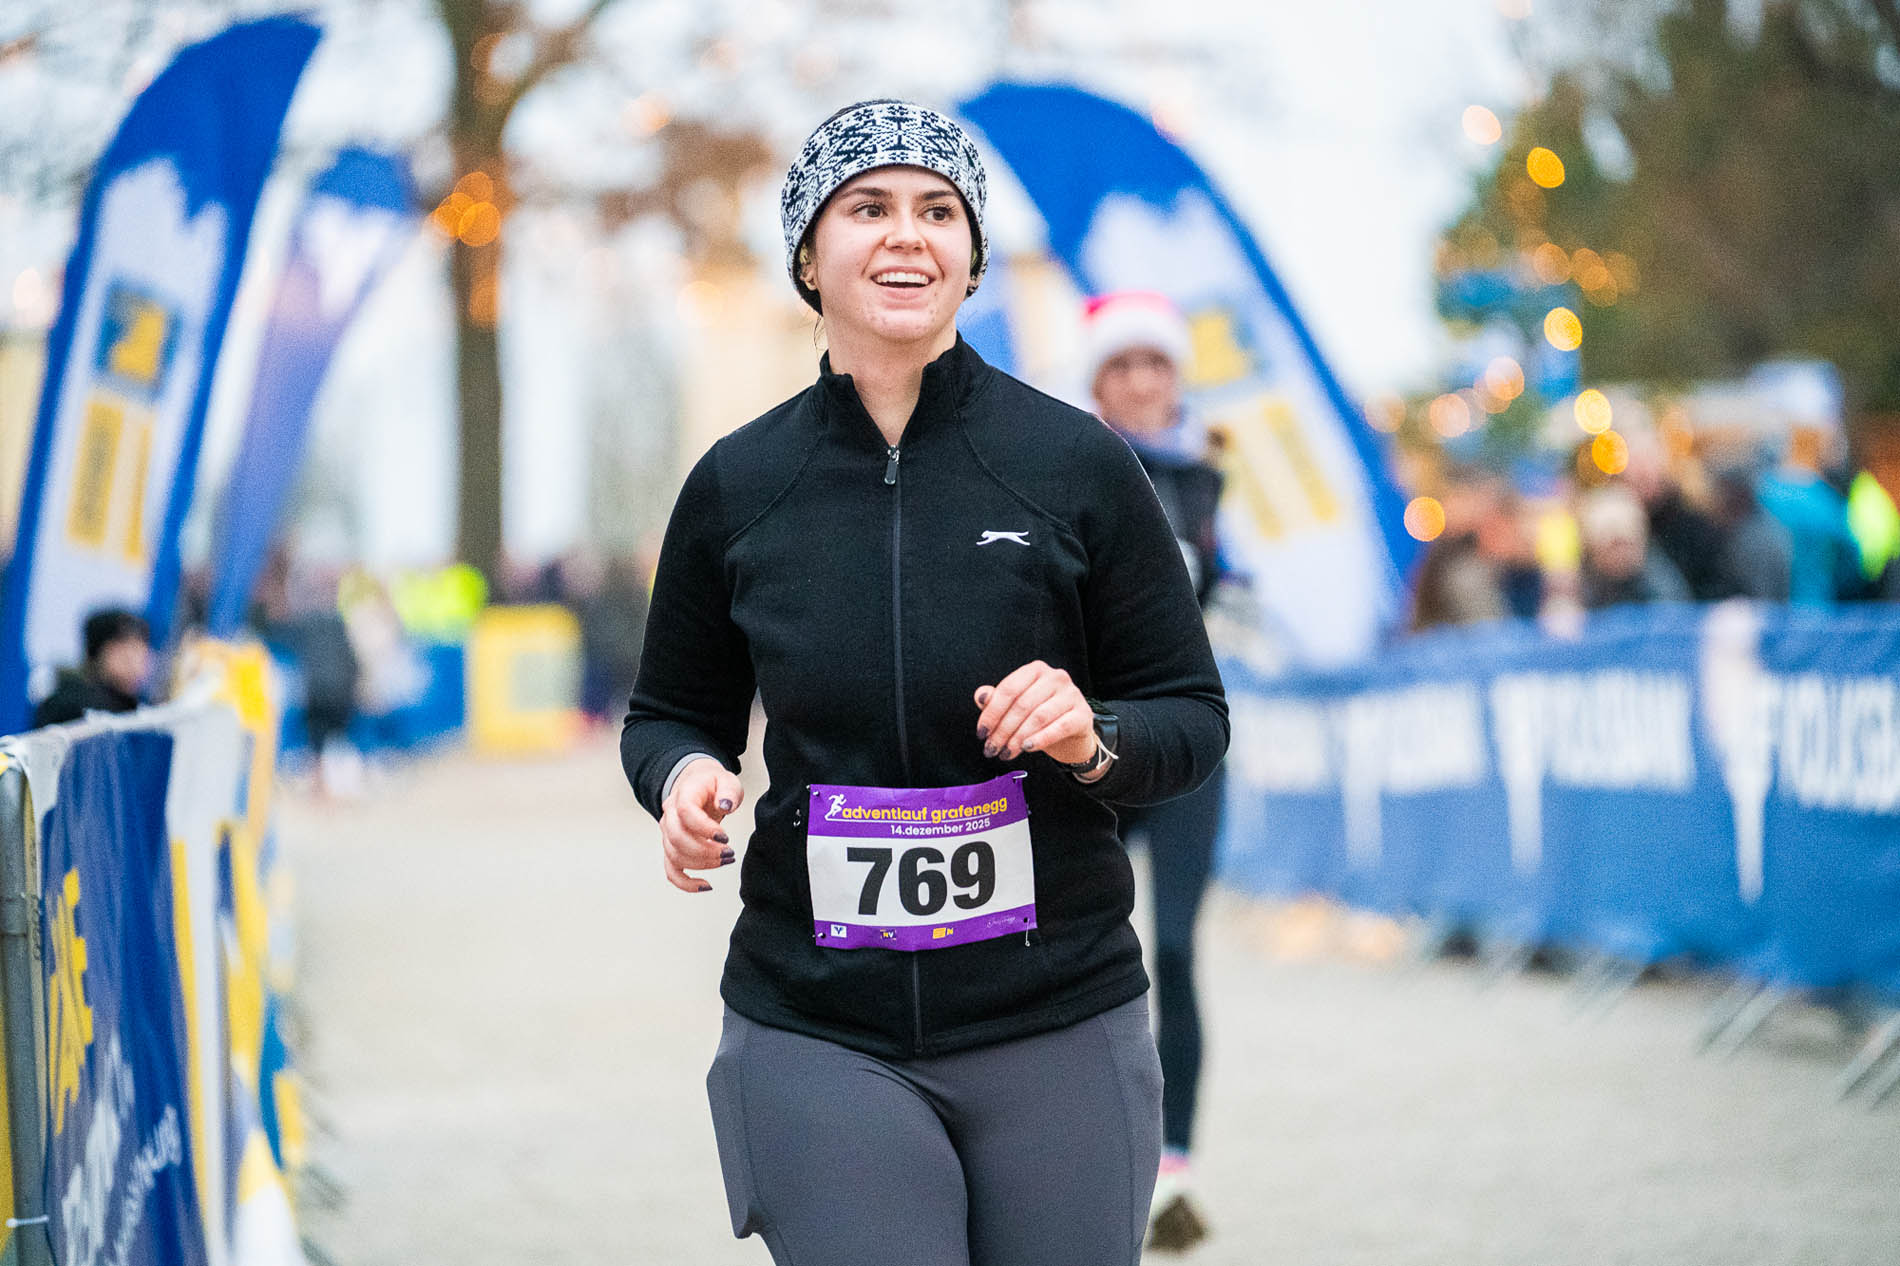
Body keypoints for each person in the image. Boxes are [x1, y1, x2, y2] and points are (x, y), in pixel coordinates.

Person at [619, 100, 1228, 1266]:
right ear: (809, 253)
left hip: (1056, 1018)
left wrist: (1089, 735)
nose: (907, 235)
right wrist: (684, 776)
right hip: (817, 1026)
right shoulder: (739, 485)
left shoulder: (1077, 464)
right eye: (868, 208)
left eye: (938, 212)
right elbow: (668, 714)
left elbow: (1189, 716)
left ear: (971, 256)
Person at [1081, 290, 1225, 1252]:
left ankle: (1174, 1165)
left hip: (1183, 749)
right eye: (1121, 366)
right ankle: (1090, 1148)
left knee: (1173, 950)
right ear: (1096, 382)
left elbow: (1239, 592)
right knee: (1083, 947)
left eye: (1156, 364)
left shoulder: (1208, 482)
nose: (1140, 382)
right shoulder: (1067, 469)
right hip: (1088, 748)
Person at [32, 607, 152, 728]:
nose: (135, 662)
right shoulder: (70, 703)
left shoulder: (135, 704)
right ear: (98, 653)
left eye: (141, 650)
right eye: (125, 651)